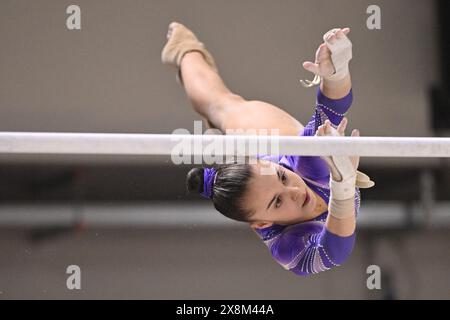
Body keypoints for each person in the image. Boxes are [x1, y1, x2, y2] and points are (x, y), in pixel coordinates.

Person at [162, 22, 375, 276]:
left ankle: (185, 49)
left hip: (272, 143)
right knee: (218, 108)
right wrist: (342, 188)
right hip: (323, 184)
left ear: (276, 166)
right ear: (262, 223)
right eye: (277, 202)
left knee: (221, 105)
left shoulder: (307, 162)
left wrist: (336, 74)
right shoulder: (288, 247)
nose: (294, 191)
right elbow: (335, 251)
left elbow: (331, 109)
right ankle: (187, 57)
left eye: (282, 177)